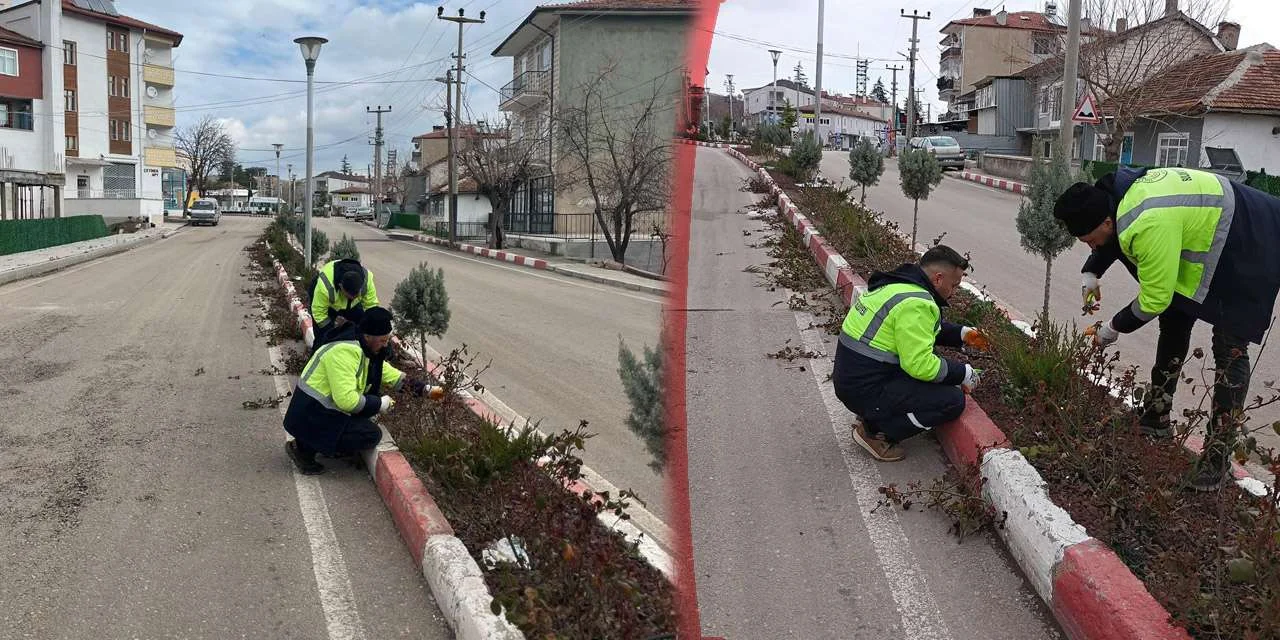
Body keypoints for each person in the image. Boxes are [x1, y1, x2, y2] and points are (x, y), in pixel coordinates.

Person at [1053, 166, 1280, 491]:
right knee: (1175, 319)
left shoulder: (1146, 222)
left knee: (1229, 346)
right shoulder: (1115, 196)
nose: (1091, 247)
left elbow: (1154, 299)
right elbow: (1109, 238)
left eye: (1089, 241)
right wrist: (1091, 273)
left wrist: (1112, 328)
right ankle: (1156, 416)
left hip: (1251, 238)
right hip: (1213, 226)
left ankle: (1216, 459)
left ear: (1105, 223)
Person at [832, 245, 989, 462]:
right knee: (952, 401)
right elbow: (920, 365)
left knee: (933, 378)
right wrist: (963, 373)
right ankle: (876, 432)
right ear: (938, 279)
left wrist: (963, 334)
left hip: (855, 379)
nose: (953, 293)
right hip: (865, 388)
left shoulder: (898, 286)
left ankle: (874, 411)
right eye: (953, 285)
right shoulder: (917, 303)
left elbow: (920, 330)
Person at [283, 306, 440, 475]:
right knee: (369, 434)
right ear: (368, 336)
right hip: (308, 414)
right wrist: (379, 404)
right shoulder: (344, 352)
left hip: (321, 411)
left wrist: (426, 390)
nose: (386, 345)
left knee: (365, 419)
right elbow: (346, 400)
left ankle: (319, 442)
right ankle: (302, 449)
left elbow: (391, 376)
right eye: (383, 341)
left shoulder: (365, 349)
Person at [311, 258, 379, 349]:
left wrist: (372, 330)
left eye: (356, 295)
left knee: (362, 329)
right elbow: (319, 312)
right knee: (322, 336)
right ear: (341, 286)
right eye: (350, 296)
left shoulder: (367, 282)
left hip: (353, 305)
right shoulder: (325, 286)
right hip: (327, 303)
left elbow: (371, 307)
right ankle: (318, 352)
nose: (354, 297)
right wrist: (332, 331)